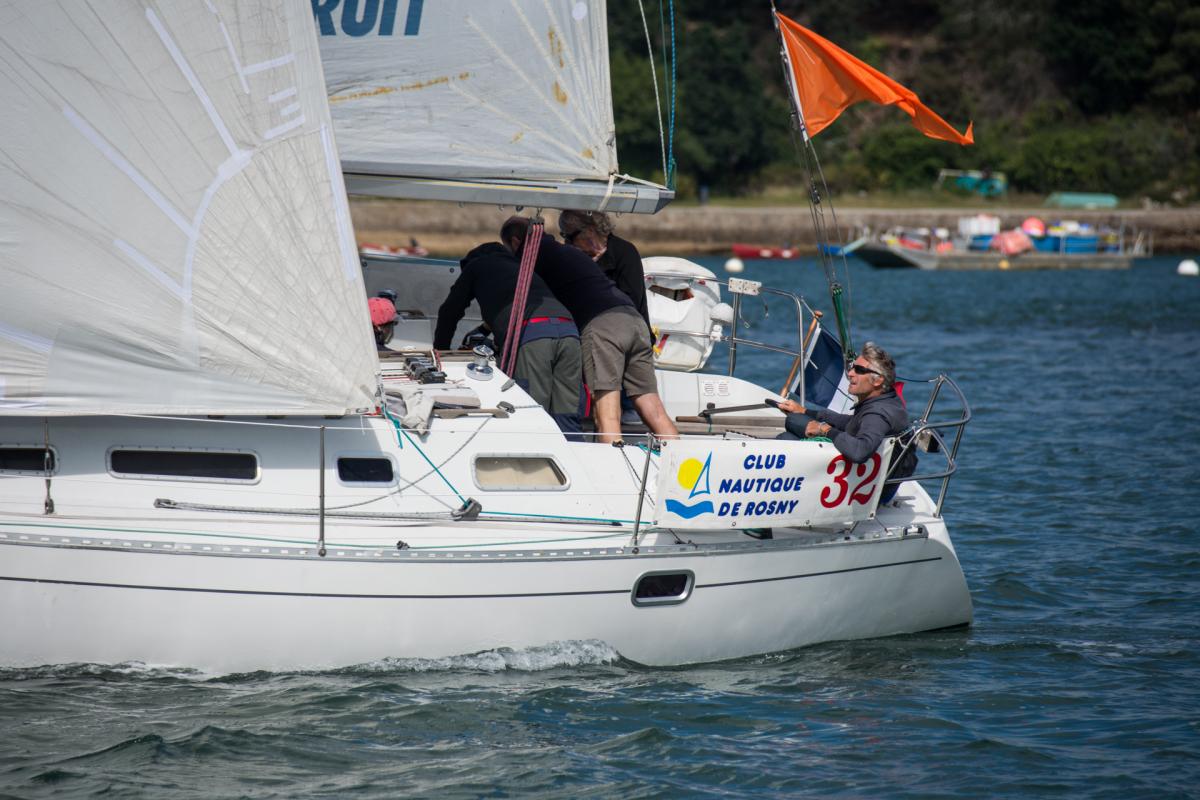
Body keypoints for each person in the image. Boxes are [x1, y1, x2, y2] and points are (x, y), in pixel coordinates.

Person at [500, 216, 678, 445]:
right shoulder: (569, 252)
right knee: (653, 407)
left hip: (603, 326)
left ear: (515, 242)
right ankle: (680, 459)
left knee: (607, 415)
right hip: (634, 320)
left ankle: (611, 466)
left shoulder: (531, 257)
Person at [433, 241, 582, 431]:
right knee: (567, 411)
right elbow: (513, 305)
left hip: (533, 335)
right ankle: (574, 442)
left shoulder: (476, 265)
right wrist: (483, 330)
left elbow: (449, 311)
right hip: (568, 329)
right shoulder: (521, 268)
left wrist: (440, 354)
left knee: (533, 411)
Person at [775, 342, 916, 502]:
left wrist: (825, 430)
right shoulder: (887, 400)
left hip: (869, 492)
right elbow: (852, 422)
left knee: (785, 440)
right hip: (872, 477)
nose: (850, 373)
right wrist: (805, 411)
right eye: (852, 367)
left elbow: (859, 451)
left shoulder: (876, 414)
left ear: (877, 381)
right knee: (794, 419)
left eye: (859, 370)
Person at [557, 209, 653, 344]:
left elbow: (631, 302)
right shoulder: (573, 258)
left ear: (590, 231)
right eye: (563, 235)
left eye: (570, 236)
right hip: (594, 333)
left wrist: (591, 269)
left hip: (622, 334)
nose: (567, 242)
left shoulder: (624, 252)